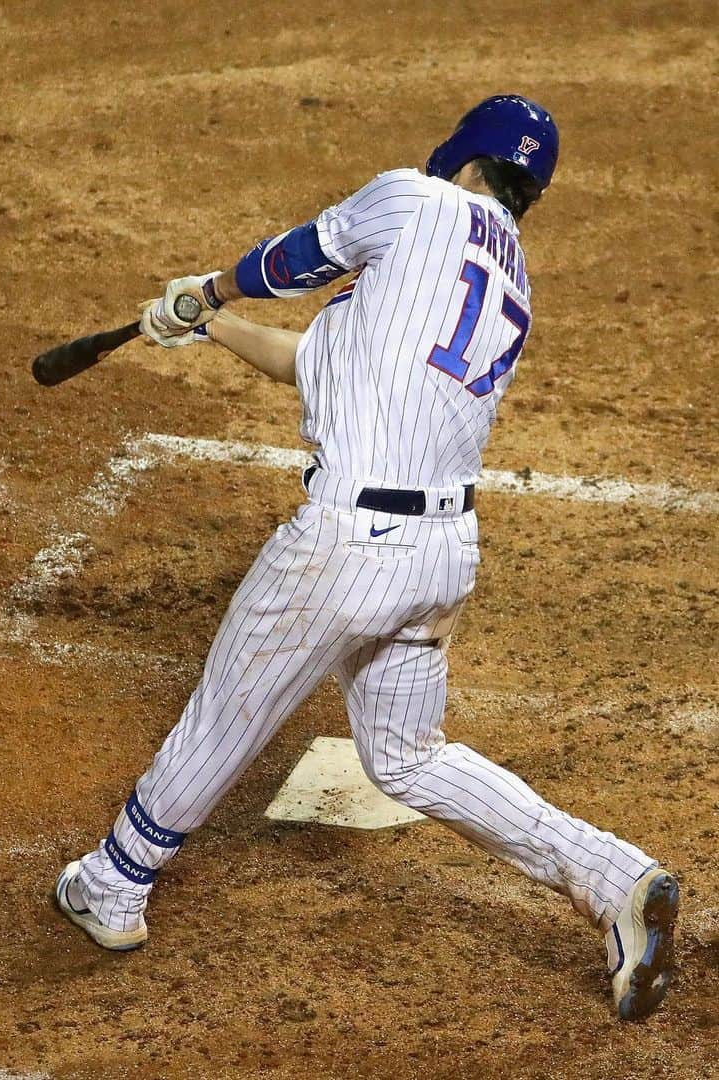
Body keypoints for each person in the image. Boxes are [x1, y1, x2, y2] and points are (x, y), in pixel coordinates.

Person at [54, 96, 678, 1022]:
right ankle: (612, 874)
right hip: (439, 554)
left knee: (228, 708)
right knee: (408, 757)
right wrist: (201, 328)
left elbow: (292, 261)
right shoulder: (503, 276)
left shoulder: (413, 201)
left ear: (462, 155)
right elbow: (327, 365)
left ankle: (113, 883)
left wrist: (217, 287)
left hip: (348, 542)